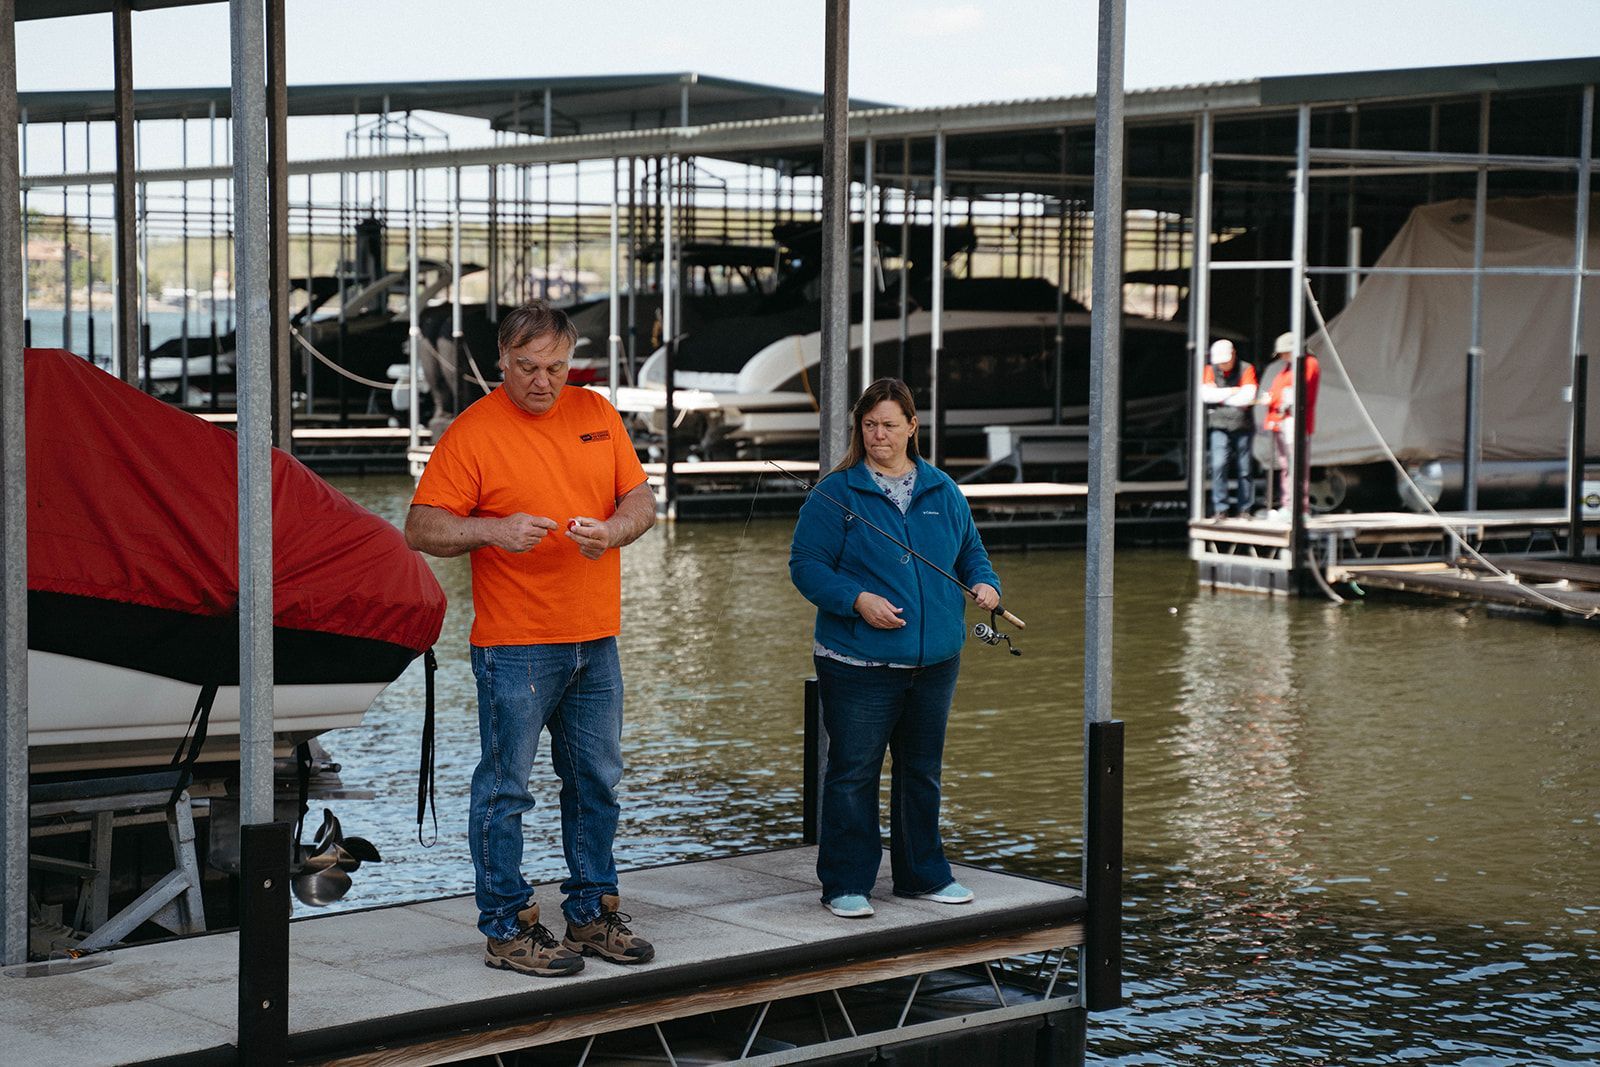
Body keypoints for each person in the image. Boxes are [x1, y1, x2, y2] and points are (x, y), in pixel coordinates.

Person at [405, 300, 657, 978]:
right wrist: (492, 530)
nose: (543, 381)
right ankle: (507, 926)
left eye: (555, 366)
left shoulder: (597, 413)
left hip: (596, 639)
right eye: (527, 367)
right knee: (505, 790)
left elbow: (641, 502)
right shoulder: (473, 431)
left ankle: (591, 913)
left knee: (597, 781)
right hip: (515, 644)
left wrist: (613, 531)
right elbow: (421, 526)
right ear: (501, 362)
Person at [788, 378, 1003, 919]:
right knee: (854, 772)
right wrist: (856, 599)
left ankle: (923, 876)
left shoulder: (943, 490)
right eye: (869, 425)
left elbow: (971, 553)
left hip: (935, 661)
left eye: (888, 424)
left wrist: (986, 584)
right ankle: (845, 883)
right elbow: (806, 567)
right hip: (858, 662)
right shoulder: (835, 493)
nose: (878, 435)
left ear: (912, 426)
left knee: (921, 770)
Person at [1261, 331, 1321, 520]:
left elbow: (1301, 390)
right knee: (1286, 465)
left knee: (1297, 465)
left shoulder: (1309, 364)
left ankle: (1300, 508)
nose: (1282, 357)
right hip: (1281, 423)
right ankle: (1288, 505)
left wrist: (1282, 401)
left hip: (1295, 422)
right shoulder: (1287, 368)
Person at [1201, 338, 1257, 517]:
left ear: (1233, 355)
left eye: (1226, 361)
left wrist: (1221, 396)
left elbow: (1248, 397)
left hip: (1242, 425)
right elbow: (1206, 395)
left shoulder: (1246, 368)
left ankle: (1245, 508)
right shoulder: (1210, 369)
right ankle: (1220, 508)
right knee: (1218, 465)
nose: (1223, 365)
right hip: (1219, 425)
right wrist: (1233, 392)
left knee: (1245, 468)